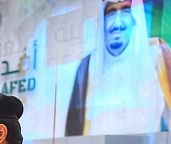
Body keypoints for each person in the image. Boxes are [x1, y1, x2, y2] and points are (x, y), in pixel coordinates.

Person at [66, 0, 170, 136]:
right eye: (111, 12)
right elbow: (73, 130)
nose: (117, 23)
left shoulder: (157, 53)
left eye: (126, 10)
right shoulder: (87, 67)